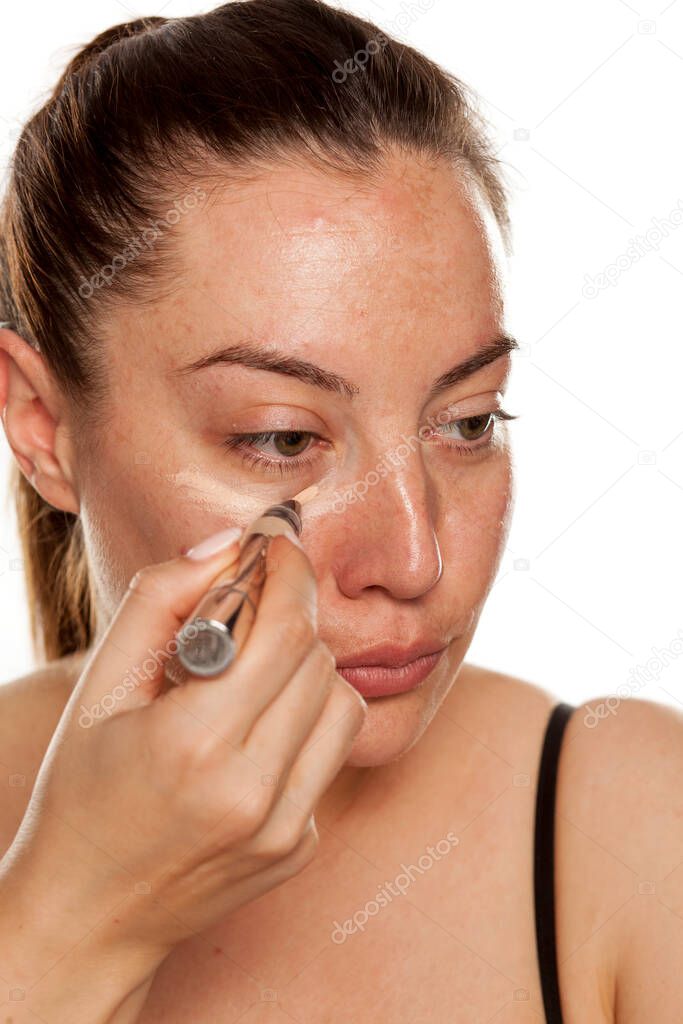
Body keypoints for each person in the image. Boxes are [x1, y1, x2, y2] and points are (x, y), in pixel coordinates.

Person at [0, 2, 681, 1021]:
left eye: (465, 420)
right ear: (44, 426)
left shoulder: (631, 824)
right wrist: (70, 917)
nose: (413, 558)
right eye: (280, 438)